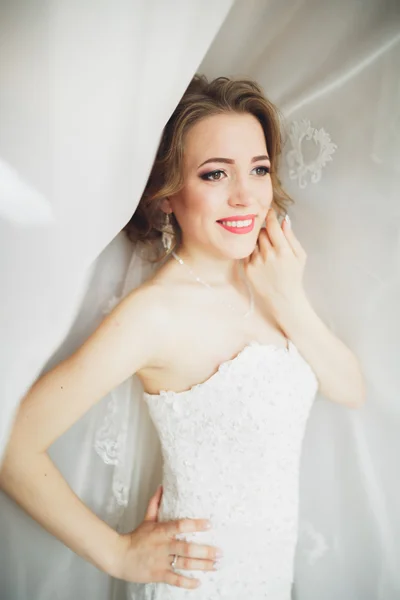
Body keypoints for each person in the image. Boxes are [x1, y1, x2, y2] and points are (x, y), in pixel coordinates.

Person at [0, 74, 366, 599]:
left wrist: (290, 301)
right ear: (168, 194)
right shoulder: (153, 315)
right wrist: (118, 553)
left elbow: (351, 389)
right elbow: (11, 445)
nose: (246, 196)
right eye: (215, 174)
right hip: (196, 585)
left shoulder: (269, 276)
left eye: (258, 169)